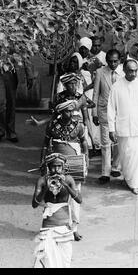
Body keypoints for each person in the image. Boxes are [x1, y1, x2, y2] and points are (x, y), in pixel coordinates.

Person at [41, 100, 88, 242]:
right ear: (60, 112)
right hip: (55, 166)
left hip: (74, 166)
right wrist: (42, 162)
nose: (69, 113)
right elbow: (45, 145)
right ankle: (53, 227)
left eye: (71, 111)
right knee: (54, 195)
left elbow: (84, 142)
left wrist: (86, 160)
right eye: (66, 111)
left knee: (74, 196)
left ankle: (74, 228)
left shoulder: (78, 126)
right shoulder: (52, 126)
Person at [108, 59, 138, 195]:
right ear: (124, 71)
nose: (133, 73)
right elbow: (111, 109)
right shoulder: (116, 86)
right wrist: (111, 128)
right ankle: (129, 180)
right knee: (126, 156)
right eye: (130, 71)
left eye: (135, 71)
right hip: (123, 127)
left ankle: (136, 183)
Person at [32, 153, 82, 268]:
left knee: (65, 259)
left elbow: (79, 200)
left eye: (59, 166)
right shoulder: (42, 181)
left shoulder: (69, 179)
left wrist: (66, 185)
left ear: (63, 167)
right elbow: (34, 204)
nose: (56, 170)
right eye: (53, 167)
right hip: (49, 226)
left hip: (64, 225)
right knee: (48, 258)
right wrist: (45, 189)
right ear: (48, 167)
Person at [0, 55, 34, 143]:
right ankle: (0, 131)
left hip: (12, 74)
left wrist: (29, 75)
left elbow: (25, 54)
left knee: (11, 104)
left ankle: (11, 132)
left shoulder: (17, 42)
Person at [92, 50, 124, 185]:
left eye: (115, 61)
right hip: (104, 111)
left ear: (119, 60)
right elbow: (95, 93)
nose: (112, 63)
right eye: (110, 61)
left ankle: (116, 167)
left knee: (118, 141)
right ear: (106, 60)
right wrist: (94, 113)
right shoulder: (100, 72)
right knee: (105, 143)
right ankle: (105, 172)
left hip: (120, 112)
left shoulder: (123, 73)